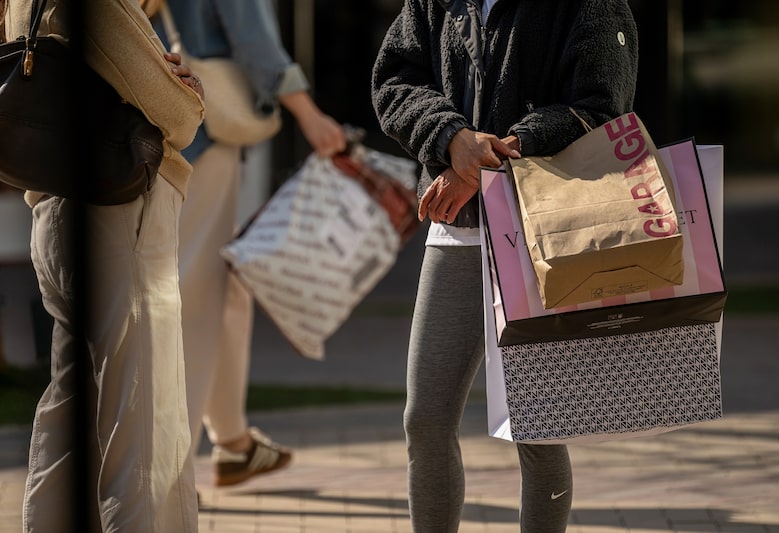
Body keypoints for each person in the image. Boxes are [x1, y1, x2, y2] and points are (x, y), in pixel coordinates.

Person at [371, 1, 639, 531]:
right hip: (457, 232)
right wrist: (450, 138)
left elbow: (602, 106)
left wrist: (493, 157)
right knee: (425, 420)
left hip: (542, 233)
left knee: (536, 431)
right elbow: (394, 81)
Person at [3, 0, 206, 530]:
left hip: (55, 213)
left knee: (71, 422)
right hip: (118, 216)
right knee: (142, 427)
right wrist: (191, 94)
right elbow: (178, 115)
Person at [149, 0, 347, 488]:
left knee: (223, 285)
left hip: (157, 126)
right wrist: (309, 113)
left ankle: (233, 442)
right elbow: (254, 39)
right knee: (197, 297)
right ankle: (169, 467)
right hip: (200, 129)